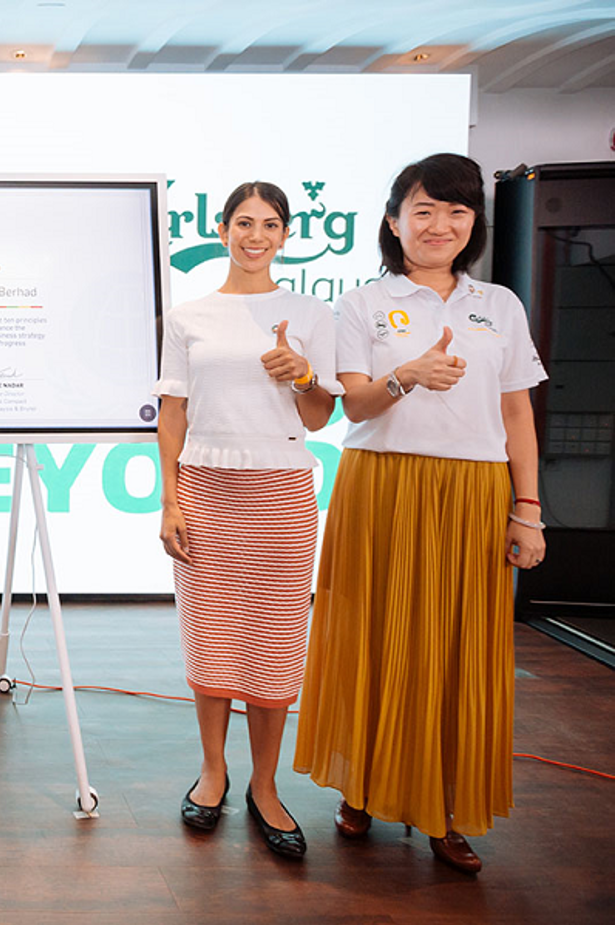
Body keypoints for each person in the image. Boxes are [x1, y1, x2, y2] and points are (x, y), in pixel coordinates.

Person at [293, 153, 547, 874]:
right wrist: (405, 376)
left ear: (475, 225)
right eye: (425, 210)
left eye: (458, 212)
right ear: (393, 219)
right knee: (372, 637)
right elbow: (354, 403)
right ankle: (363, 790)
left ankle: (446, 808)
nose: (440, 225)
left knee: (458, 647)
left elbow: (516, 412)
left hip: (472, 492)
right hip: (382, 485)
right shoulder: (362, 303)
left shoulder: (499, 305)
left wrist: (527, 509)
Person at [156, 181, 340, 859]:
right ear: (222, 228)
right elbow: (172, 413)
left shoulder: (311, 312)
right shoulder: (188, 316)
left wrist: (301, 375)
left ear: (286, 235)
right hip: (205, 488)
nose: (255, 235)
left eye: (269, 224)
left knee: (273, 643)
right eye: (242, 222)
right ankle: (213, 770)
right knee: (210, 638)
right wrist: (171, 498)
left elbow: (321, 415)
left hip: (282, 492)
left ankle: (265, 785)